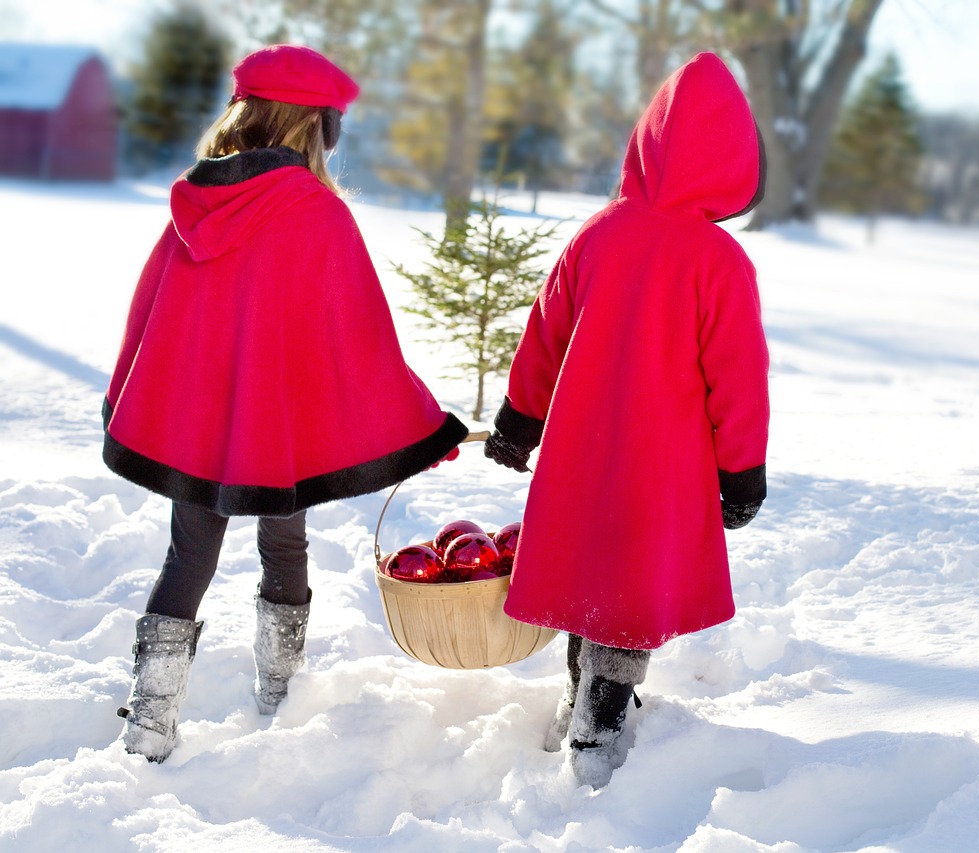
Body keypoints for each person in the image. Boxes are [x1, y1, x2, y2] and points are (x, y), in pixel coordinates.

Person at [103, 44, 468, 763]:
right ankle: (280, 689)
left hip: (200, 426)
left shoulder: (194, 201)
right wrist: (416, 424)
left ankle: (150, 719)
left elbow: (149, 316)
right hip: (279, 422)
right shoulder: (317, 215)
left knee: (188, 555)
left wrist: (128, 395)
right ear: (314, 129)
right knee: (285, 539)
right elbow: (362, 342)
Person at [483, 52, 770, 788]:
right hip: (661, 465)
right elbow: (738, 382)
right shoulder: (719, 261)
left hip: (580, 453)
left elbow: (544, 333)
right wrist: (740, 472)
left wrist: (520, 420)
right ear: (736, 161)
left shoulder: (597, 235)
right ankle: (598, 730)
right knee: (628, 595)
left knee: (590, 577)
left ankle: (583, 695)